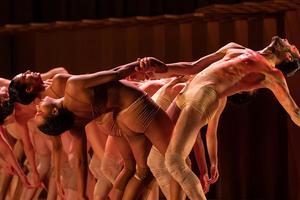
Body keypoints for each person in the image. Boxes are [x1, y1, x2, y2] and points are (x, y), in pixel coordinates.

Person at [138, 36, 300, 199]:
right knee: (155, 159)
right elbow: (193, 67)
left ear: (288, 57)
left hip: (205, 95)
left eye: (293, 47)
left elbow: (295, 113)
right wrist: (158, 69)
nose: (288, 41)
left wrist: (212, 164)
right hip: (187, 91)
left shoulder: (271, 74)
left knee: (174, 160)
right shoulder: (234, 48)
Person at [34, 61, 180, 200]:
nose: (37, 108)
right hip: (130, 107)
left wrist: (82, 193)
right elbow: (115, 73)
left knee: (135, 170)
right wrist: (141, 64)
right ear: (54, 112)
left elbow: (81, 161)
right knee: (174, 162)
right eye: (39, 113)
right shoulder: (71, 86)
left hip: (115, 120)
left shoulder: (74, 125)